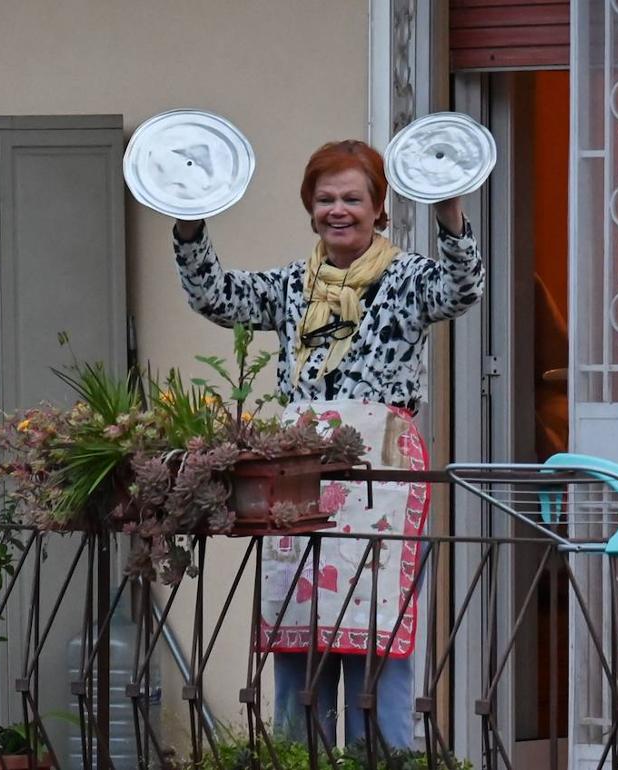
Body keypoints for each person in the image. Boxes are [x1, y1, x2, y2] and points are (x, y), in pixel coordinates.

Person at [172, 139, 484, 748]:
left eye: (352, 199)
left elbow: (462, 289)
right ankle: (299, 755)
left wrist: (449, 208)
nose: (338, 210)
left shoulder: (407, 278)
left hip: (378, 472)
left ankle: (384, 757)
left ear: (378, 207)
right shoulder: (293, 284)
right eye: (324, 199)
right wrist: (189, 221)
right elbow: (217, 297)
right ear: (309, 207)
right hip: (299, 472)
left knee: (376, 637)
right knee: (300, 637)